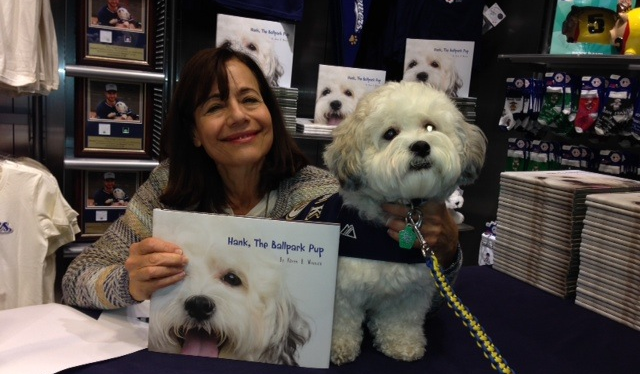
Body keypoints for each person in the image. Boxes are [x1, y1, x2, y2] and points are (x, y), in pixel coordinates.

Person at [62, 46, 461, 309]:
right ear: (194, 134)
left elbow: (403, 294)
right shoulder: (165, 190)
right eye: (216, 106)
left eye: (250, 99)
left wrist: (446, 252)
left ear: (272, 113)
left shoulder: (325, 195)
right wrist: (129, 283)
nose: (239, 116)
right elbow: (76, 280)